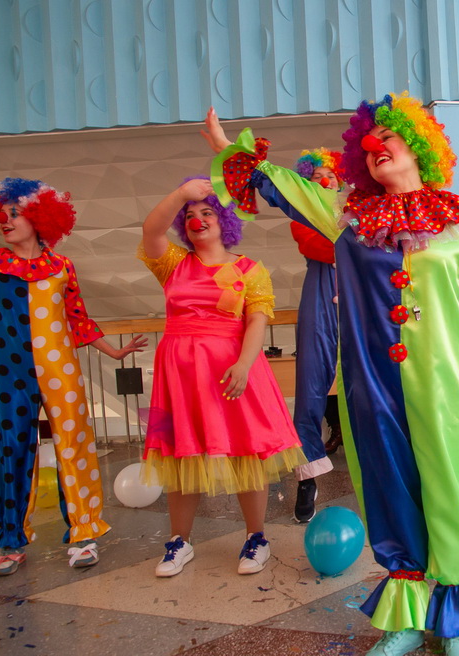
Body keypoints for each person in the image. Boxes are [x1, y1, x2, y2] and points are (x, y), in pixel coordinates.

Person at [203, 94, 459, 656]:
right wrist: (232, 153)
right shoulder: (348, 218)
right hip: (371, 385)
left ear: (421, 147)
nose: (374, 147)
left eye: (387, 138)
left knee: (447, 490)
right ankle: (406, 618)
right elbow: (287, 189)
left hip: (444, 383)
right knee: (388, 490)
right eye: (368, 144)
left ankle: (453, 618)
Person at [139, 176, 304, 577]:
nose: (197, 220)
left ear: (224, 220)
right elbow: (151, 231)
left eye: (207, 212)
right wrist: (181, 193)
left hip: (233, 369)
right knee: (182, 453)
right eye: (189, 216)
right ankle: (179, 542)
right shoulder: (173, 263)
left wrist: (245, 364)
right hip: (181, 374)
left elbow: (257, 320)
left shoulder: (249, 269)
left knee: (247, 451)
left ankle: (256, 538)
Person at [0, 177, 146, 576]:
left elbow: (78, 319)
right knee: (8, 449)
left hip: (60, 370)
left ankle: (83, 533)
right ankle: (11, 540)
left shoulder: (61, 267)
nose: (5, 222)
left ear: (40, 218)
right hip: (7, 374)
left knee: (74, 446)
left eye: (14, 214)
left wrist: (114, 351)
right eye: (1, 215)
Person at [264, 148, 344, 523]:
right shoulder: (303, 215)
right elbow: (314, 245)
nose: (324, 181)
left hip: (363, 292)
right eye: (315, 178)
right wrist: (353, 244)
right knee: (310, 384)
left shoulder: (361, 210)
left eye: (331, 176)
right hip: (321, 289)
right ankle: (307, 477)